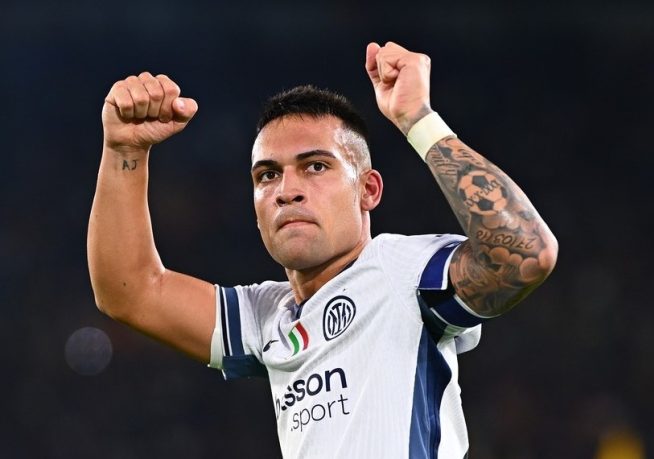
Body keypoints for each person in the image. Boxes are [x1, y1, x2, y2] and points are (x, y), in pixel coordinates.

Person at [88, 41, 558, 458]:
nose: (286, 190)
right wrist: (124, 150)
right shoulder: (264, 317)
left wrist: (418, 119)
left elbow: (526, 252)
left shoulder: (402, 271)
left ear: (368, 190)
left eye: (315, 166)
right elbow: (129, 291)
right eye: (267, 175)